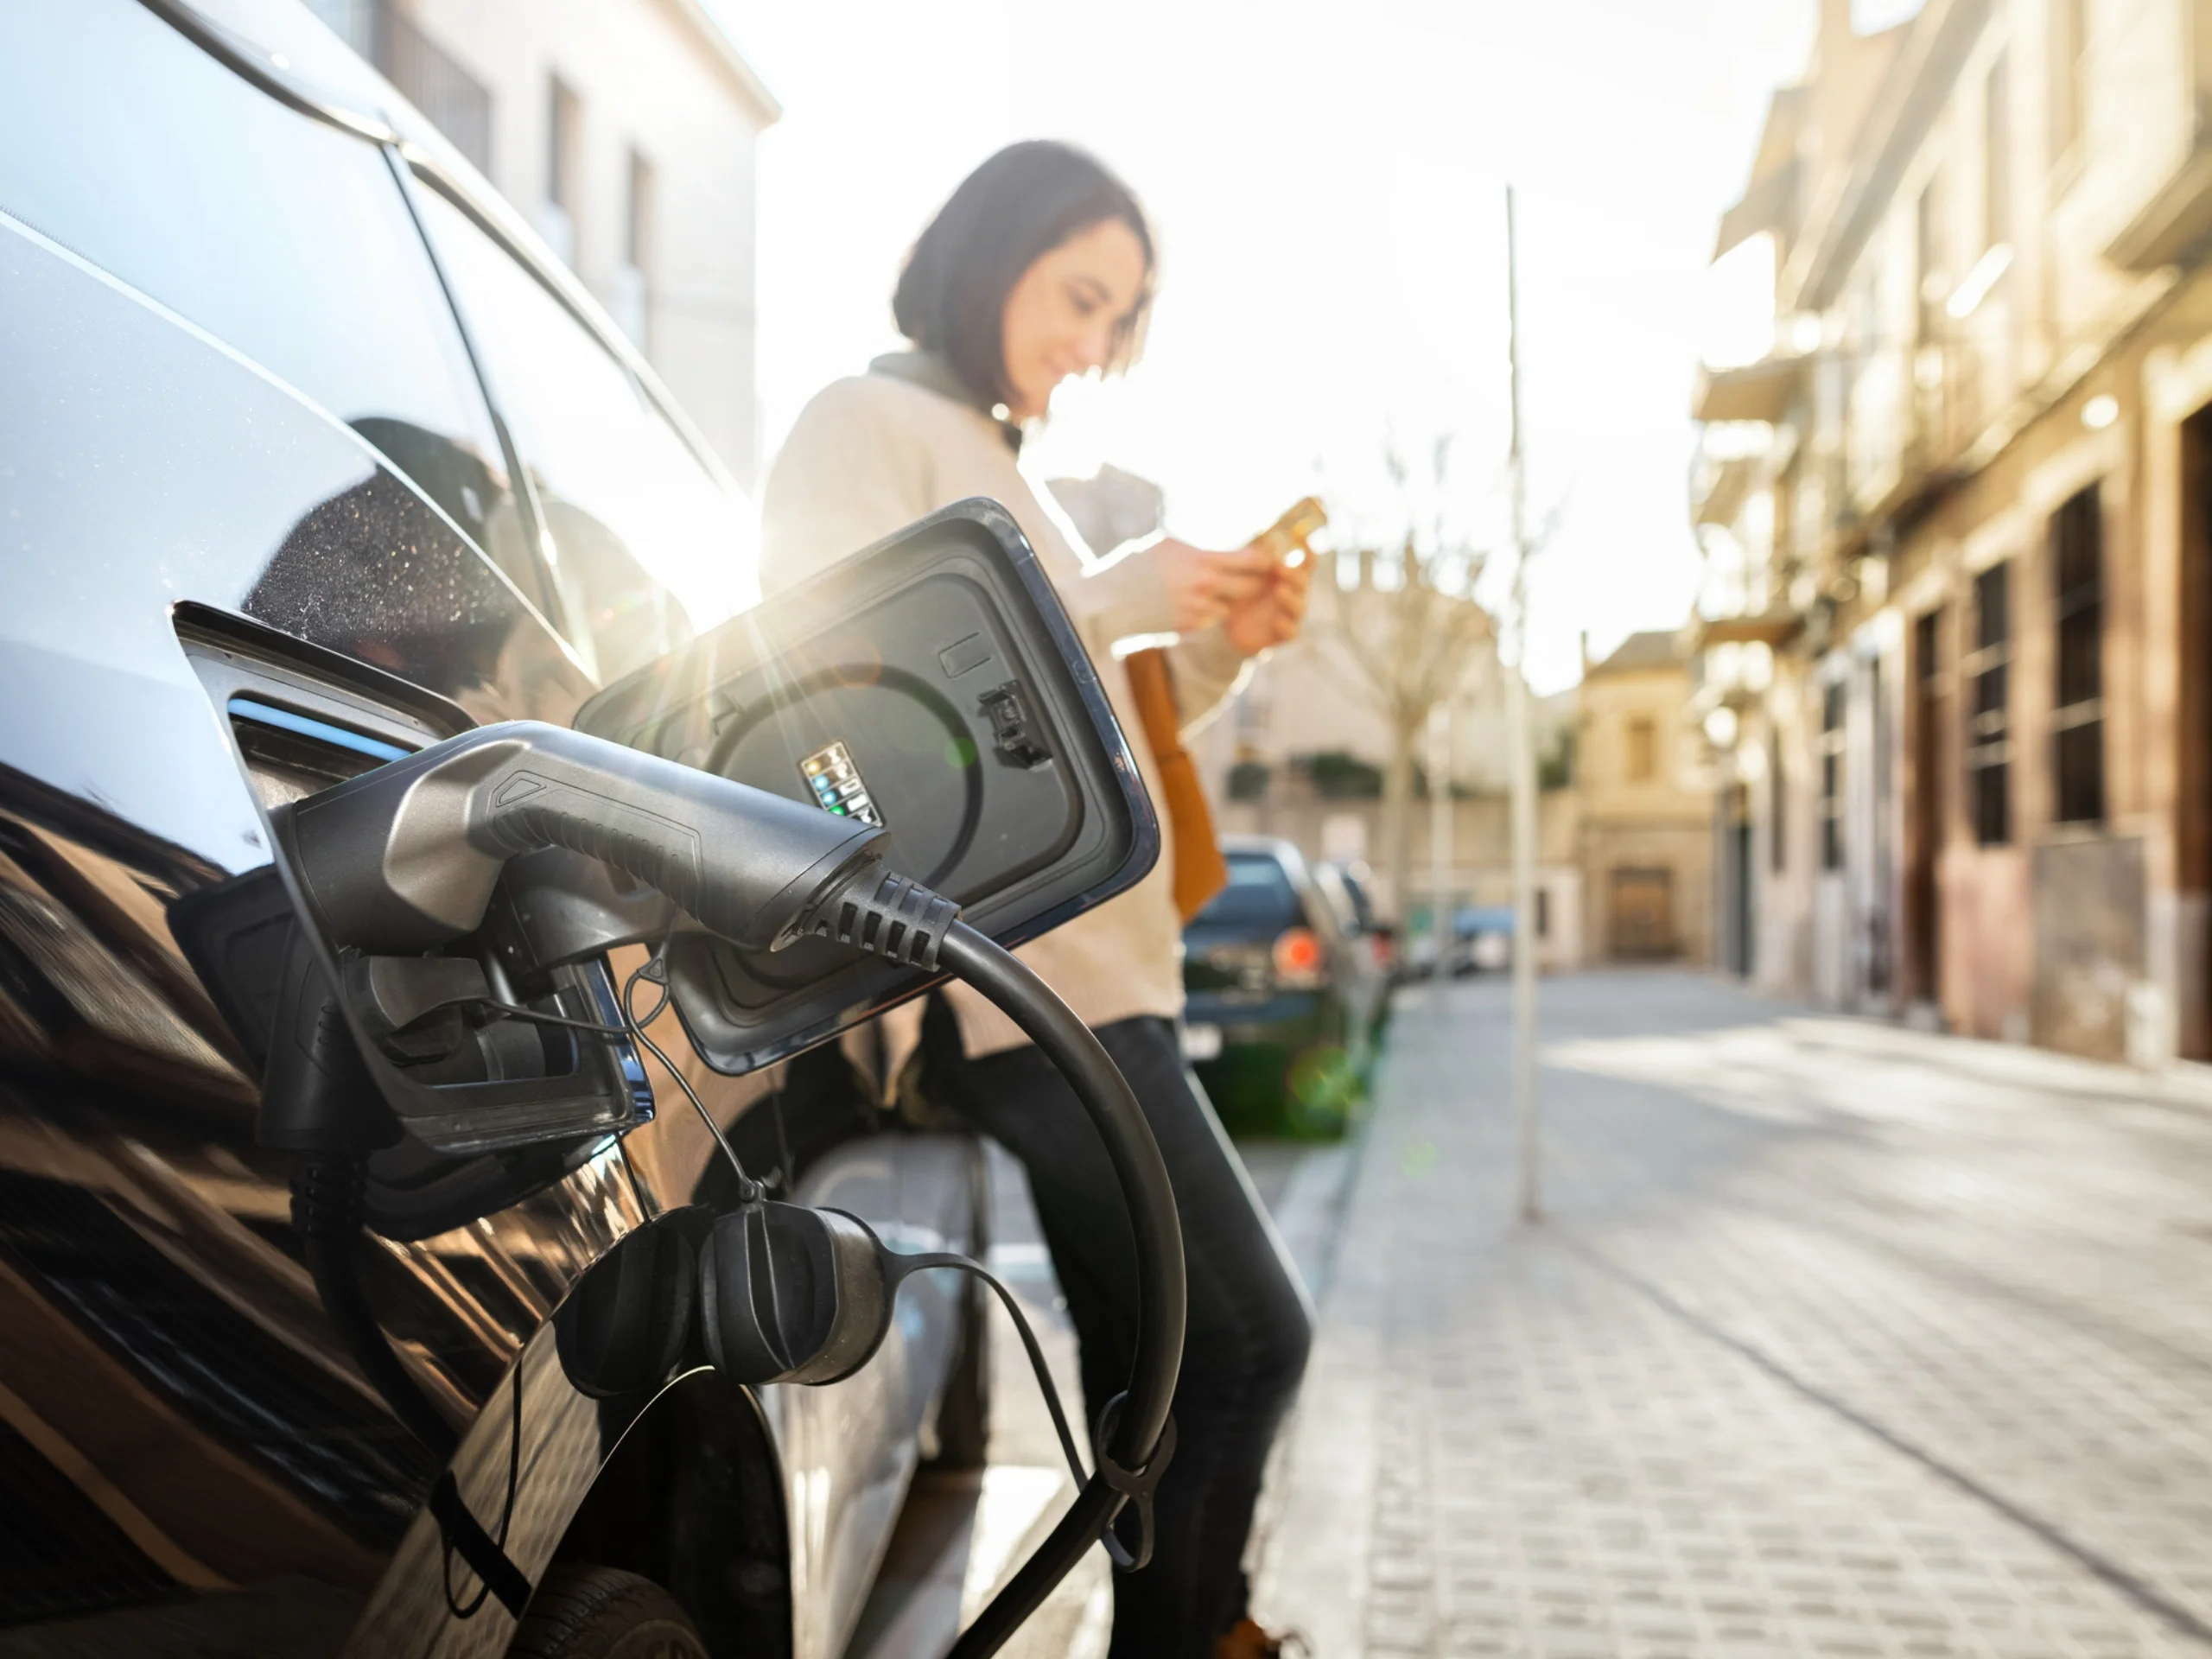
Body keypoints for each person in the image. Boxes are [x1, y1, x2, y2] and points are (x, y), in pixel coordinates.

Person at [761, 141, 1313, 1659]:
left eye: (1119, 320)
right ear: (988, 252)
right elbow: (845, 684)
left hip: (1100, 976)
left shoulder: (995, 460)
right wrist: (1128, 588)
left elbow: (1083, 742)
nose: (1095, 344)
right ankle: (1194, 1638)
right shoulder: (865, 420)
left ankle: (1194, 1619)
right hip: (1024, 992)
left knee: (1157, 1374)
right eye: (1081, 296)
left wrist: (1215, 646)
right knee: (1255, 1342)